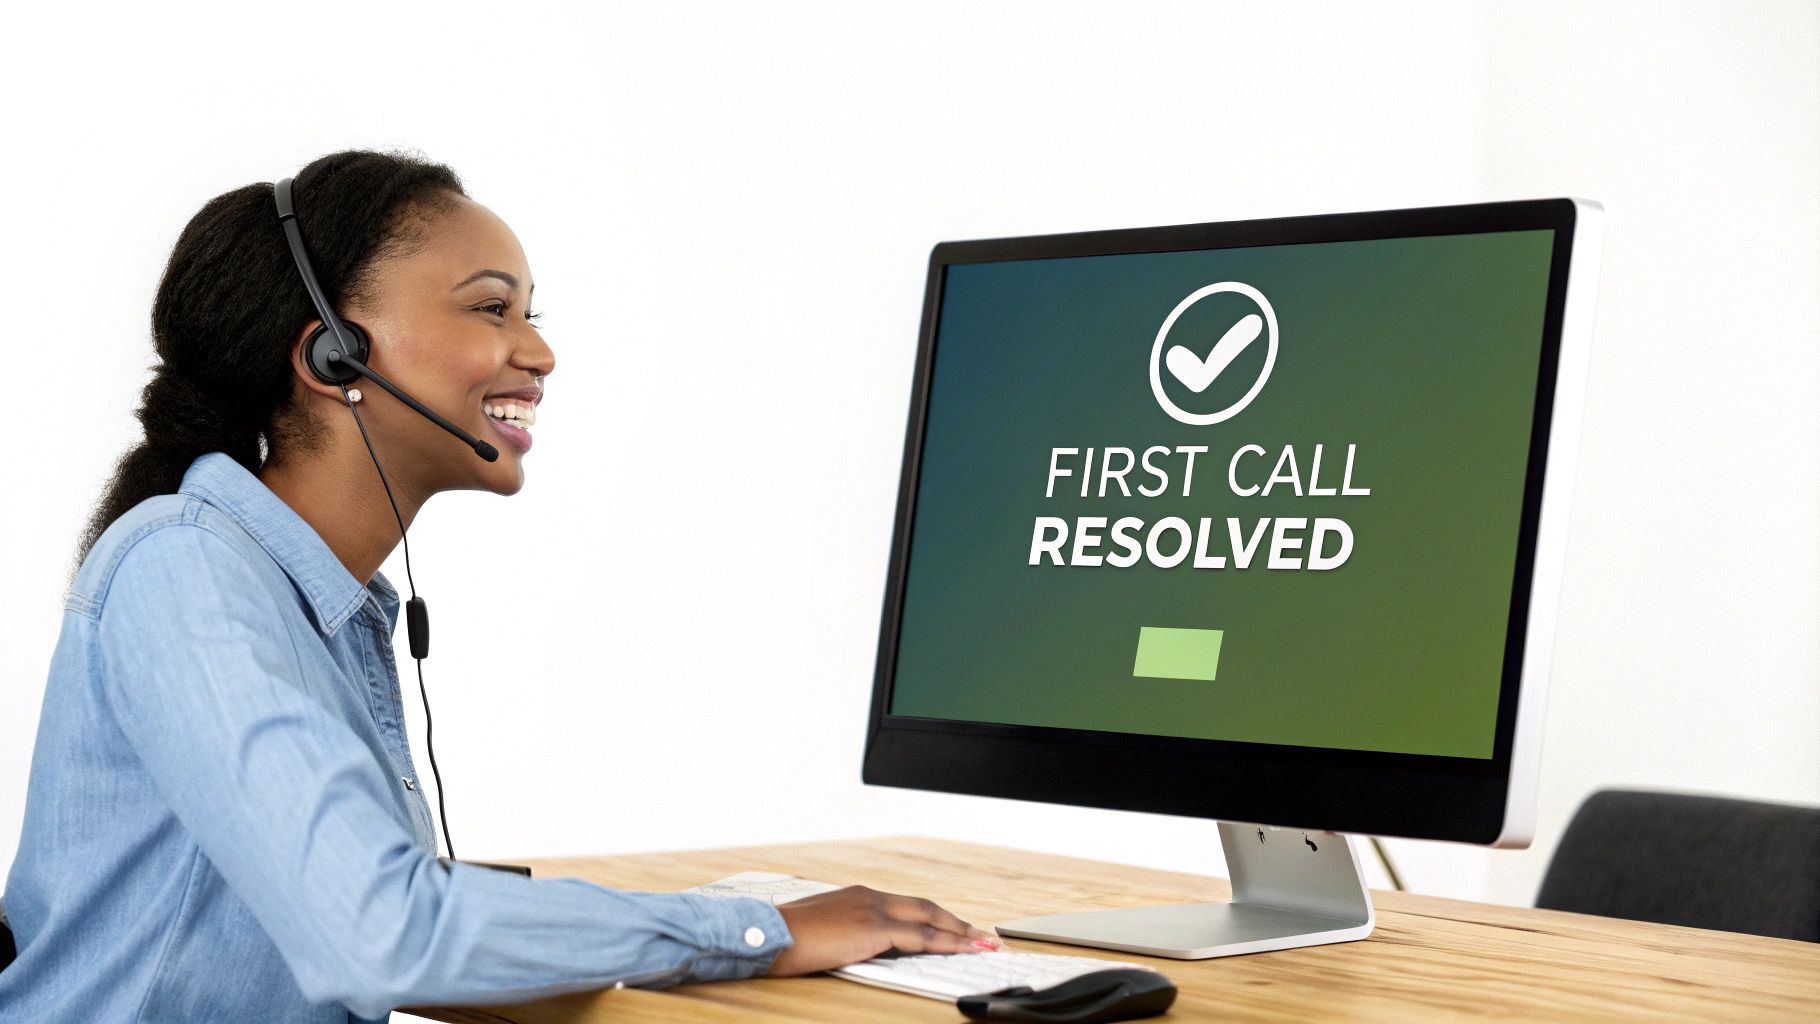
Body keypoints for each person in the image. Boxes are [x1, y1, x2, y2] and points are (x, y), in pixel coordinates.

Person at [0, 149, 995, 1023]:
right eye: (490, 307)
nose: (540, 351)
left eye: (530, 312)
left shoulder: (319, 604)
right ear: (332, 355)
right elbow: (378, 932)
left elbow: (368, 912)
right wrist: (757, 928)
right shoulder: (188, 571)